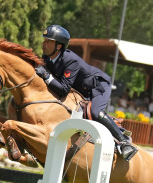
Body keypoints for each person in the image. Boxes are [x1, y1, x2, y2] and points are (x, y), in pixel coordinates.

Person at [35, 24, 138, 161]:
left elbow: (64, 88)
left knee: (95, 113)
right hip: (81, 89)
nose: (44, 43)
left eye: (48, 41)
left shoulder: (70, 60)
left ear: (58, 46)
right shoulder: (47, 57)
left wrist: (47, 76)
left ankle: (124, 142)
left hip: (98, 86)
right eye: (45, 40)